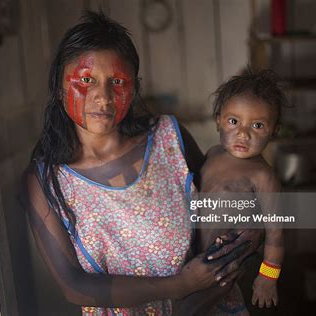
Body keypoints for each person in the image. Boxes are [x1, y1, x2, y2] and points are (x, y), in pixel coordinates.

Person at [25, 11, 262, 315]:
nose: (103, 96)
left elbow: (221, 205)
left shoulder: (168, 138)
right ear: (59, 88)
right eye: (86, 80)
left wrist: (251, 227)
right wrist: (181, 285)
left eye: (117, 81)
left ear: (133, 87)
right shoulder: (47, 181)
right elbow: (74, 286)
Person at [195, 69, 286, 312]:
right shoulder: (213, 154)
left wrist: (268, 277)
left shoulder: (263, 177)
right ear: (218, 119)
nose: (243, 134)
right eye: (233, 121)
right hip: (192, 263)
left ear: (274, 131)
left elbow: (276, 235)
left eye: (257, 126)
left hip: (227, 274)